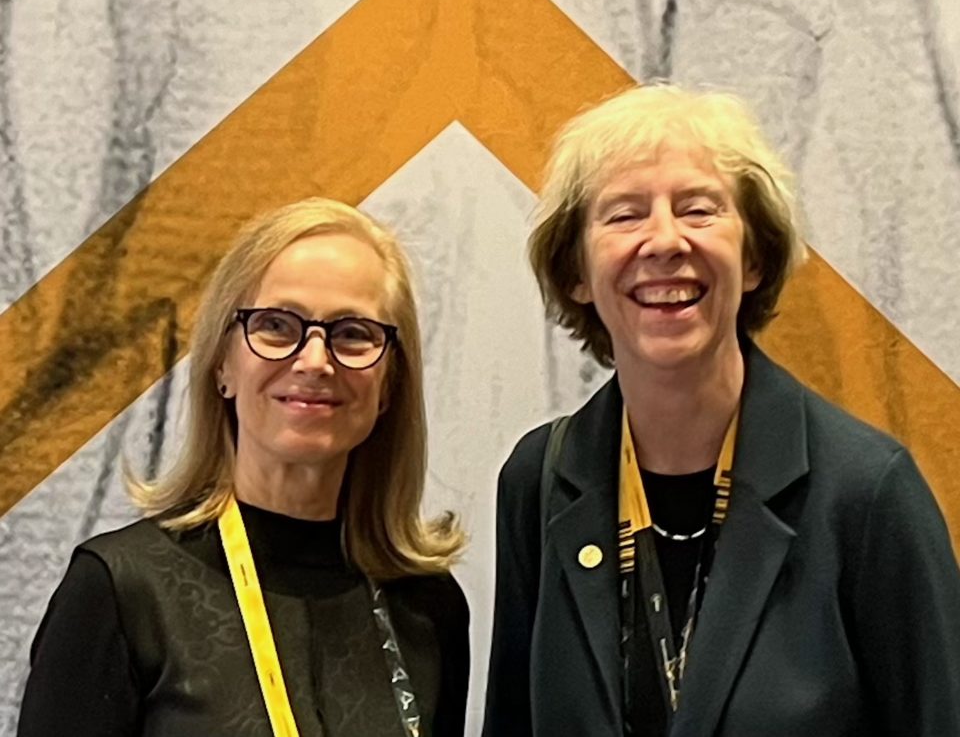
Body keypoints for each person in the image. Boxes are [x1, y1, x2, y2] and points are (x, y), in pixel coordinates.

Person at [482, 84, 960, 737]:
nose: (664, 241)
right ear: (576, 273)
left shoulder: (867, 492)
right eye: (624, 215)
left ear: (755, 257)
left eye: (698, 210)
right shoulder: (538, 481)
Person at [19, 198, 469, 737]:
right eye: (277, 326)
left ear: (390, 384)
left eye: (353, 333)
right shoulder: (122, 590)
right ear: (222, 365)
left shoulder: (427, 606)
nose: (315, 361)